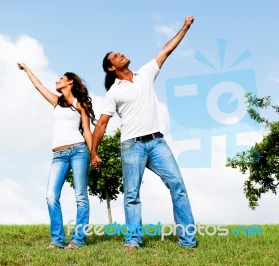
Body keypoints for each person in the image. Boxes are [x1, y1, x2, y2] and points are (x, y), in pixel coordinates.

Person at [90, 16, 197, 250]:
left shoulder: (146, 73)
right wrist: (94, 152)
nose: (121, 55)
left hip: (158, 142)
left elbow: (166, 49)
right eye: (115, 56)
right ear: (111, 67)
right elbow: (102, 125)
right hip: (131, 145)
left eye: (121, 53)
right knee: (132, 194)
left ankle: (188, 241)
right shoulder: (113, 93)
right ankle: (133, 240)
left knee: (177, 185)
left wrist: (185, 27)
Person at [17, 63, 96, 249]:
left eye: (60, 79)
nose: (57, 81)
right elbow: (39, 86)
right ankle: (57, 240)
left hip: (78, 151)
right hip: (58, 155)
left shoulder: (80, 104)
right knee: (51, 196)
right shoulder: (57, 102)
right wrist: (28, 70)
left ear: (69, 82)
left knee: (80, 197)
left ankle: (78, 240)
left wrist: (93, 154)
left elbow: (86, 130)